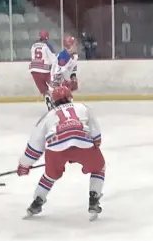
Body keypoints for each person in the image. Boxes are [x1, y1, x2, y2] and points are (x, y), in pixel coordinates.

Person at [17, 86, 105, 220]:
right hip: (83, 142)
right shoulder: (82, 107)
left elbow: (35, 145)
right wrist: (92, 148)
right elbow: (96, 135)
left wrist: (25, 165)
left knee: (50, 175)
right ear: (70, 97)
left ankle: (37, 202)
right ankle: (94, 199)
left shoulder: (48, 116)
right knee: (99, 168)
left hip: (55, 147)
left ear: (53, 102)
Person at [29, 29, 57, 110]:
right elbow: (53, 59)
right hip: (46, 70)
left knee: (44, 90)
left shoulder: (33, 46)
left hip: (34, 70)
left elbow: (33, 57)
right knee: (55, 86)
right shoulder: (47, 45)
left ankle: (47, 98)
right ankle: (57, 102)